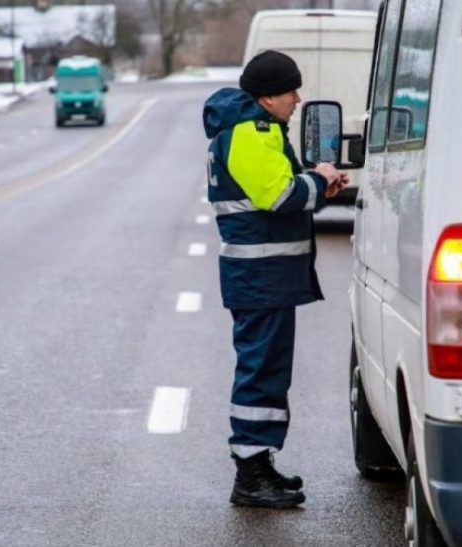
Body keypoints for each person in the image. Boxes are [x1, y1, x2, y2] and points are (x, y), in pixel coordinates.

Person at [202, 50, 349, 509]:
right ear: (267, 97)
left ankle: (260, 464)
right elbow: (280, 196)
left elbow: (279, 191)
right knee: (260, 373)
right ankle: (249, 475)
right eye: (290, 91)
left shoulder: (254, 130)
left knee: (267, 373)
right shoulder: (252, 133)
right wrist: (318, 180)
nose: (297, 98)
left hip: (264, 277)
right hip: (260, 277)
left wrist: (318, 184)